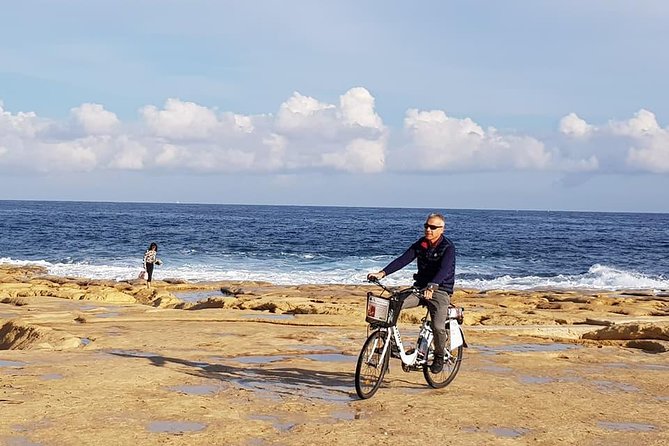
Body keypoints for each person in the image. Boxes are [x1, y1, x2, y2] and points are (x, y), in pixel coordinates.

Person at [367, 213, 455, 373]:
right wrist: (382, 273)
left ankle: (439, 356)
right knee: (392, 304)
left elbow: (444, 270)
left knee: (437, 326)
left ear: (442, 229)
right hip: (420, 289)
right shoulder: (421, 244)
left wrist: (433, 286)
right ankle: (391, 345)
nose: (428, 229)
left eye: (433, 227)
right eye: (426, 226)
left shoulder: (448, 248)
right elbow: (403, 259)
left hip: (440, 290)